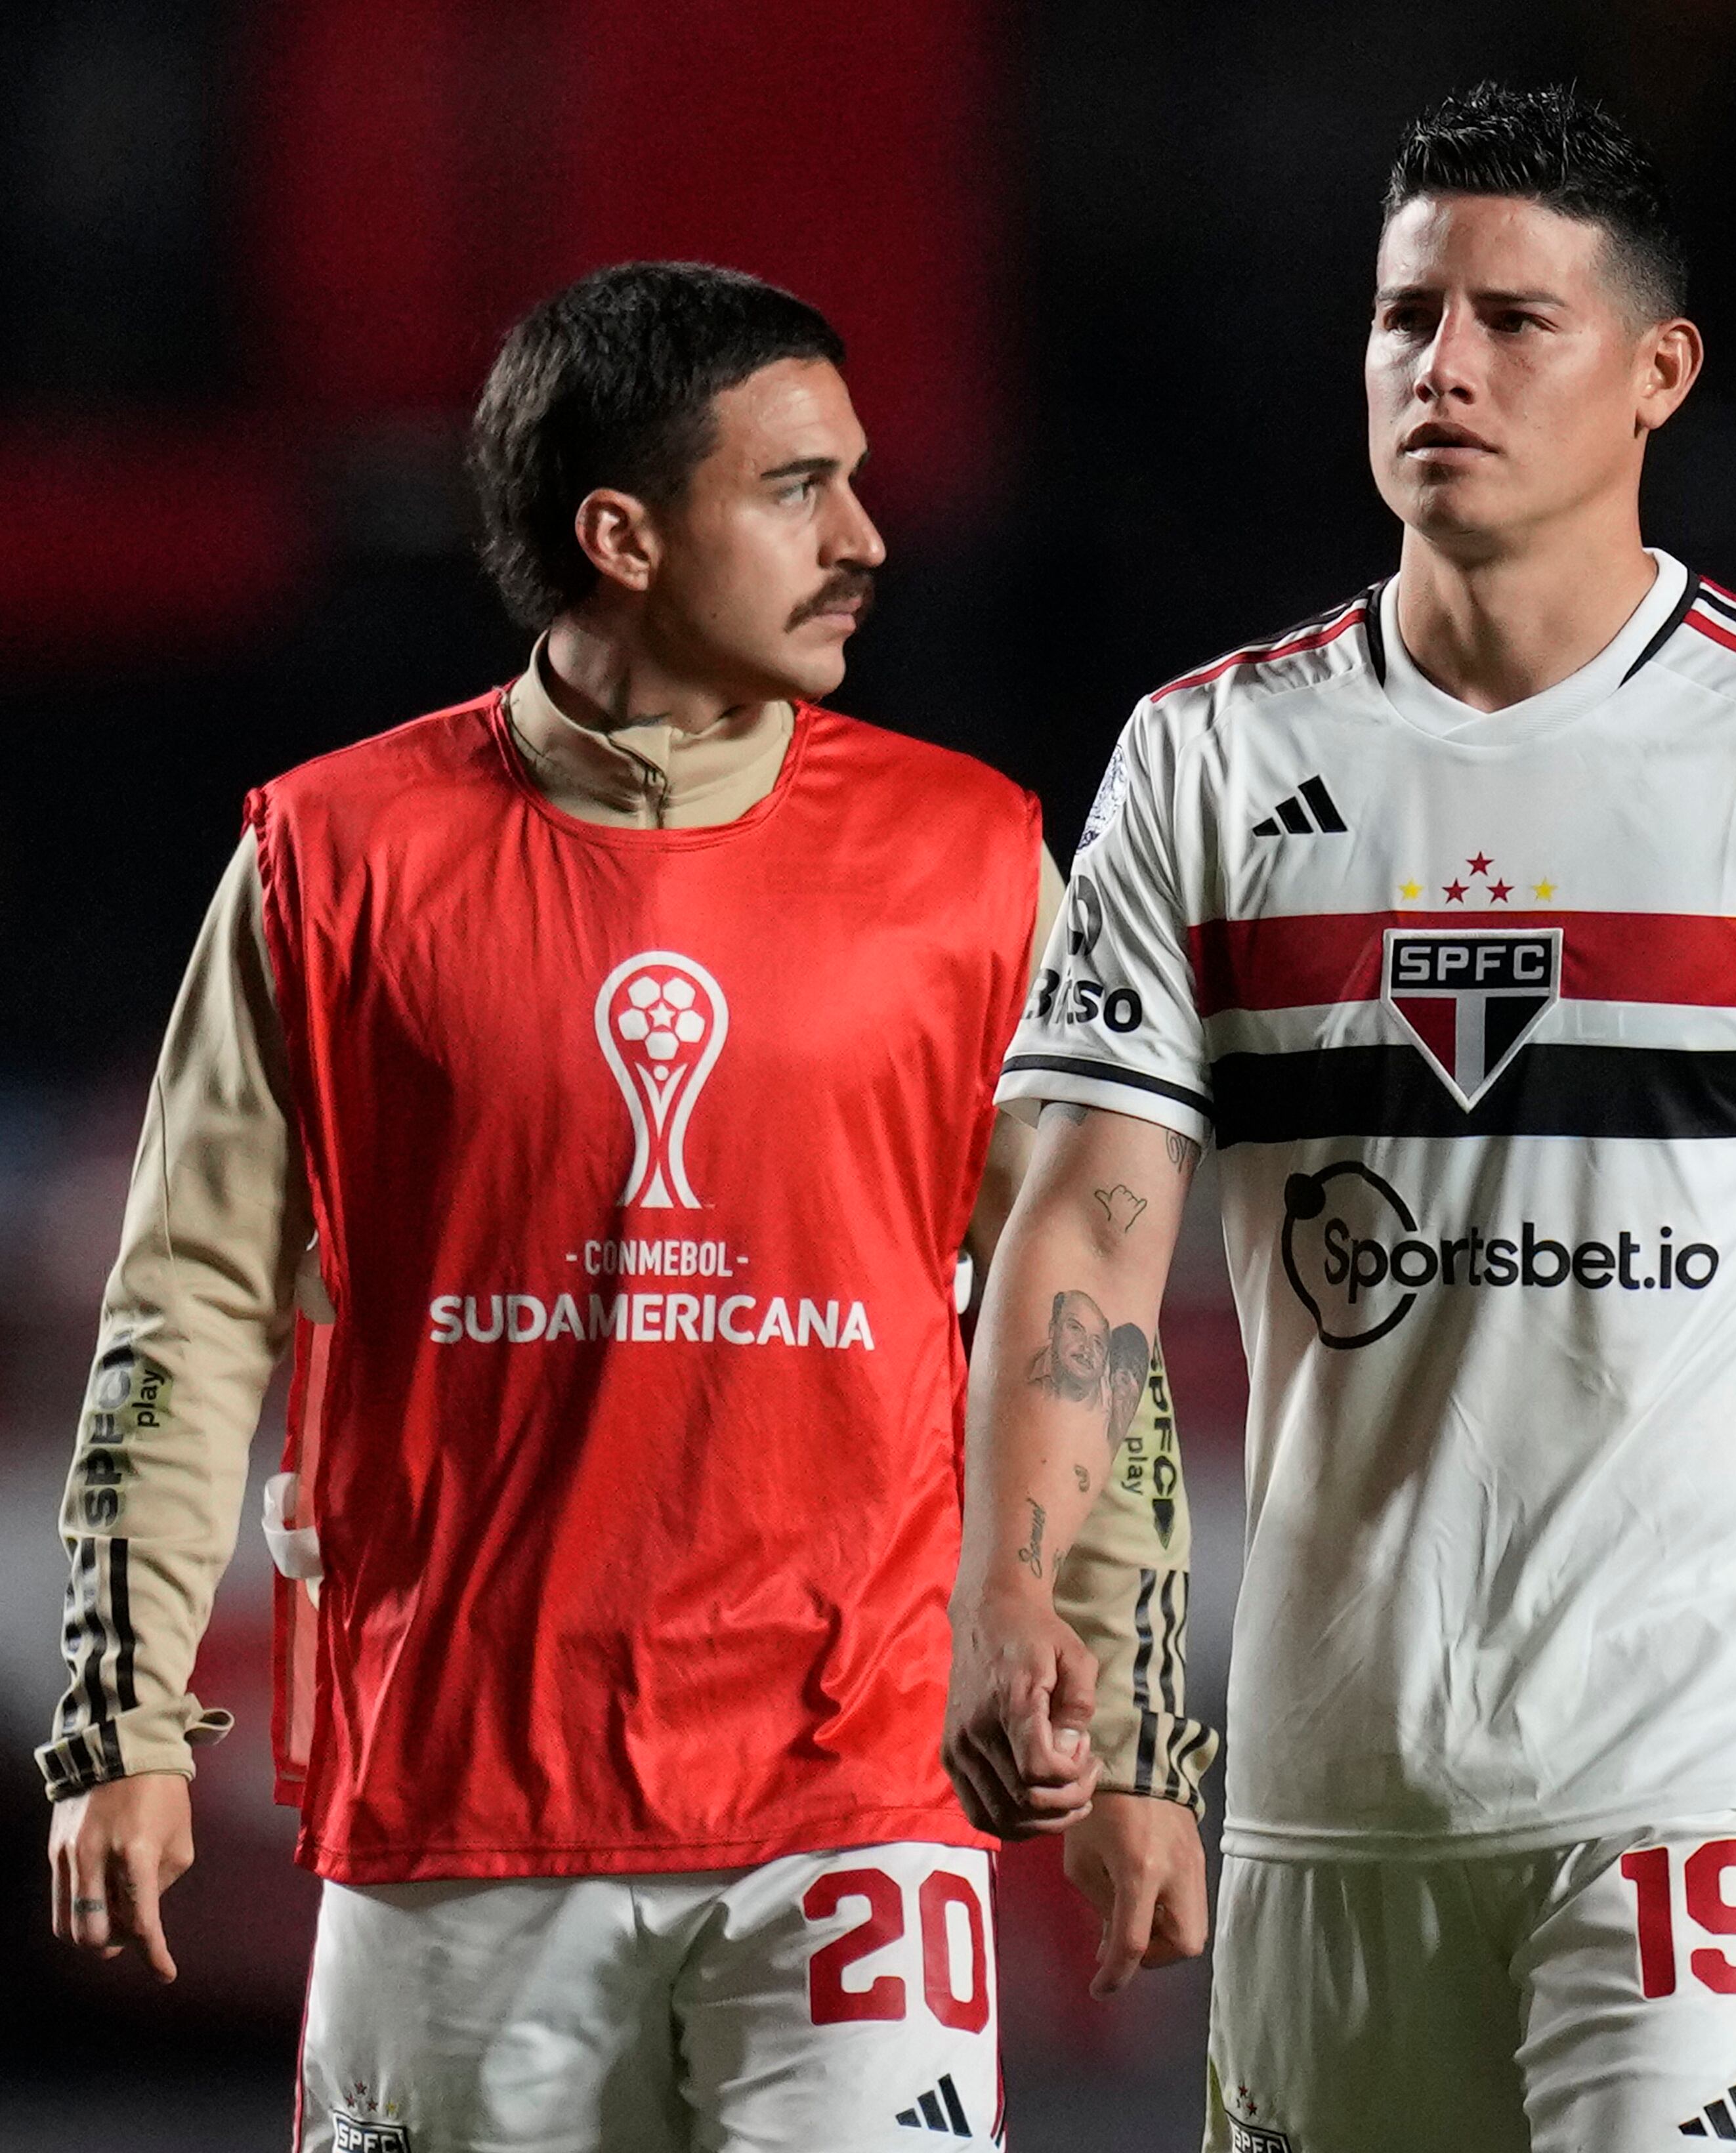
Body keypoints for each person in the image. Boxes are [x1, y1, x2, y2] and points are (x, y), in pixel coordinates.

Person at [948, 81, 1736, 2153]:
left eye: (1515, 321)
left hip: (1706, 1773)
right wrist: (1018, 1590)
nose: (1446, 368)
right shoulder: (1210, 765)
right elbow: (1083, 1233)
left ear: (1660, 372)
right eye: (1408, 318)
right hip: (1334, 1789)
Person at [35, 260, 1210, 2150]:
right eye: (797, 488)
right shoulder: (332, 866)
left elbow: (1081, 1314)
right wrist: (123, 1729)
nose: (867, 539)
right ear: (622, 534)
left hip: (855, 1813)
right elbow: (180, 1312)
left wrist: (1140, 1736)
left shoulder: (973, 859)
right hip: (456, 1823)